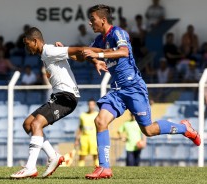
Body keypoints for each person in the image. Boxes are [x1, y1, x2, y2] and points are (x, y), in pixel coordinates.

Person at [81, 4, 201, 179]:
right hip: (116, 90)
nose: (90, 23)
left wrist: (99, 56)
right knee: (100, 120)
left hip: (133, 88)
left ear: (103, 19)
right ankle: (104, 167)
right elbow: (87, 53)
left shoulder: (118, 33)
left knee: (149, 130)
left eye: (93, 20)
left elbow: (123, 52)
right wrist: (65, 52)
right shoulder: (100, 41)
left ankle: (185, 128)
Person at [10, 27, 104, 179]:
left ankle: (30, 167)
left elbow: (80, 49)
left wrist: (98, 57)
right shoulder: (46, 55)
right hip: (58, 97)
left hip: (66, 97)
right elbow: (77, 57)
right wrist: (89, 60)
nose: (26, 48)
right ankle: (53, 155)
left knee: (36, 125)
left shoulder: (49, 51)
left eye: (28, 44)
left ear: (35, 41)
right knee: (28, 124)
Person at [75, 99, 99, 167]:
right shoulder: (83, 115)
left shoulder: (97, 114)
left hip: (94, 138)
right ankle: (80, 168)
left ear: (94, 105)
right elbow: (80, 127)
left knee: (95, 154)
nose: (91, 106)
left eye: (92, 104)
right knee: (82, 154)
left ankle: (97, 168)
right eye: (90, 104)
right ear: (88, 105)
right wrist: (77, 139)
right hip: (84, 138)